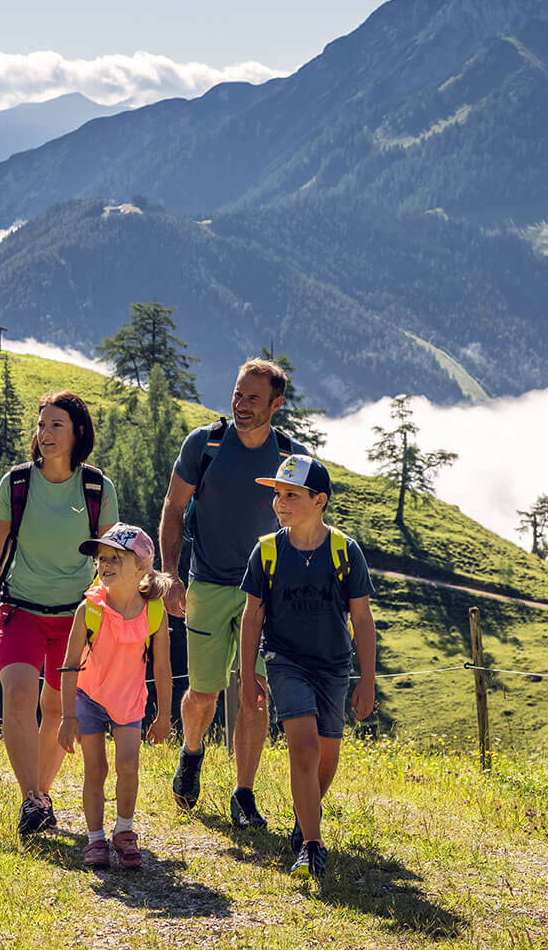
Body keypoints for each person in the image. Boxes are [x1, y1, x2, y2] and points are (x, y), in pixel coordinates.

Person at [158, 358, 305, 827]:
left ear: (275, 405)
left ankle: (243, 794)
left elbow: (307, 525)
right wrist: (170, 574)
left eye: (253, 398)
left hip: (265, 594)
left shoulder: (292, 458)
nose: (241, 404)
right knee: (203, 694)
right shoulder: (205, 444)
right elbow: (173, 507)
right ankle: (192, 751)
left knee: (255, 693)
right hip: (208, 584)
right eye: (238, 394)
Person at [0, 391, 120, 836]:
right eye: (41, 425)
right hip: (20, 610)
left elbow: (111, 561)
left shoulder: (97, 489)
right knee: (17, 695)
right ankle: (30, 797)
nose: (45, 433)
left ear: (77, 432)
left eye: (56, 425)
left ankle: (41, 796)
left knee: (55, 707)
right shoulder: (16, 484)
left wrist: (113, 616)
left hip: (76, 618)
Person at [238, 454, 377, 879]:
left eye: (291, 495)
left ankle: (305, 819)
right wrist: (247, 673)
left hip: (334, 666)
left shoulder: (345, 551)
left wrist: (367, 679)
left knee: (327, 757)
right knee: (304, 746)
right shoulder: (266, 550)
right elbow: (252, 615)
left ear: (320, 501)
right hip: (285, 661)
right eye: (277, 494)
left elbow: (362, 618)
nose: (280, 503)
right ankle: (311, 847)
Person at [56, 523, 174, 870]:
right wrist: (67, 716)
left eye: (115, 558)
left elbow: (162, 667)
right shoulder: (89, 609)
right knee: (96, 769)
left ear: (141, 567)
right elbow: (70, 665)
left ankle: (124, 832)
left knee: (128, 765)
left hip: (129, 700)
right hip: (89, 697)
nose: (104, 564)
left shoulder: (154, 612)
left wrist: (164, 716)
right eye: (102, 558)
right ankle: (95, 839)